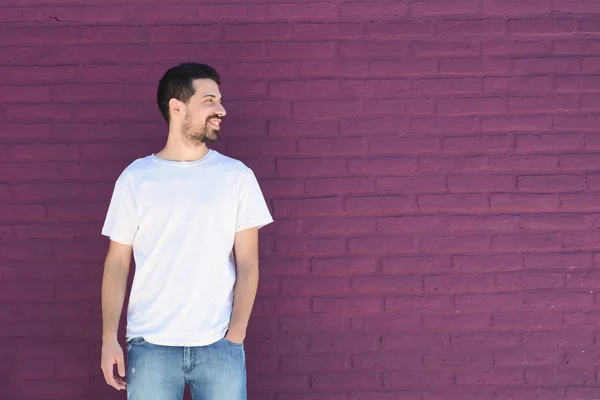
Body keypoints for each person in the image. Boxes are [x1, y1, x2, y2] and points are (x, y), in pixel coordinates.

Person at [99, 62, 273, 400]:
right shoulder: (136, 178)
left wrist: (235, 335)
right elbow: (117, 263)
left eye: (219, 100)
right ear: (177, 107)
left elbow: (248, 262)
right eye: (209, 100)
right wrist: (109, 337)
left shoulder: (236, 176)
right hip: (150, 347)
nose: (221, 109)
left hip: (219, 346)